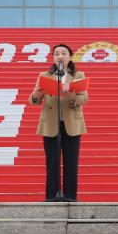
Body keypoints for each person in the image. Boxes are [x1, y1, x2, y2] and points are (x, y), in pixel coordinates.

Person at [29, 44, 88, 202]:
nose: (60, 56)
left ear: (70, 57)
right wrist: (37, 94)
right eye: (56, 54)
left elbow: (84, 98)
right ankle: (52, 196)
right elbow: (33, 100)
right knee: (52, 161)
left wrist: (71, 94)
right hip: (50, 123)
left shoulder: (78, 75)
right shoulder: (44, 75)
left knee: (71, 161)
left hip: (72, 124)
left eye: (63, 53)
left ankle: (70, 196)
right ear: (53, 58)